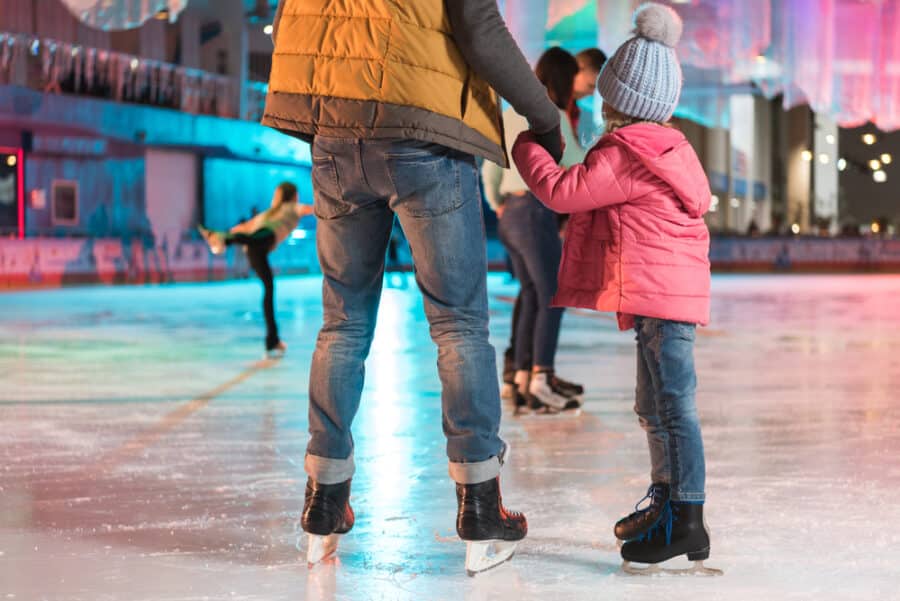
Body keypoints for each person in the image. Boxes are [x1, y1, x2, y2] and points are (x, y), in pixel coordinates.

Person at [262, 0, 564, 575]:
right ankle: (480, 505)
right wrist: (543, 117)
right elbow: (480, 28)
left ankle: (324, 501)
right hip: (422, 134)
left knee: (342, 323)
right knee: (458, 326)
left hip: (334, 131)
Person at [512, 4, 720, 575]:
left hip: (661, 299)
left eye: (609, 97)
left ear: (624, 102)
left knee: (673, 407)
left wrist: (527, 143)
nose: (602, 105)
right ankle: (668, 503)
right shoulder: (669, 148)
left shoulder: (628, 154)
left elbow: (560, 191)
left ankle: (688, 515)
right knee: (654, 406)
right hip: (662, 299)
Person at [482, 47, 587, 415]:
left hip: (510, 212)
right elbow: (575, 162)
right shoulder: (550, 115)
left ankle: (522, 376)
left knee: (531, 294)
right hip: (533, 210)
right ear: (563, 78)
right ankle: (540, 378)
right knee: (553, 296)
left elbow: (489, 168)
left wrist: (498, 201)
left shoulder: (511, 115)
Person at [198, 182, 312, 358]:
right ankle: (221, 239)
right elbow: (312, 209)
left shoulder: (269, 213)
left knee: (268, 287)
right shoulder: (292, 207)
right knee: (256, 241)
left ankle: (272, 340)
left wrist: (231, 233)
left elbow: (244, 228)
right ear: (294, 195)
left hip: (255, 250)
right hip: (262, 240)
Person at [573, 48, 609, 146]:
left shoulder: (576, 111)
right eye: (590, 86)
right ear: (578, 68)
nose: (592, 93)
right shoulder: (551, 104)